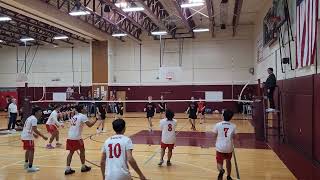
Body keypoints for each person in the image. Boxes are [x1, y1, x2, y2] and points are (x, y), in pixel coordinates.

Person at [65, 105, 98, 175]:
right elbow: (90, 125)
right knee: (82, 150)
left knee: (71, 152)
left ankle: (67, 169)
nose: (85, 108)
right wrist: (96, 119)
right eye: (84, 108)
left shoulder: (74, 116)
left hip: (70, 136)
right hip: (76, 137)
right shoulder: (82, 116)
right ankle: (83, 167)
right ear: (82, 110)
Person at [21, 106, 48, 172]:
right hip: (28, 137)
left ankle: (26, 164)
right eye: (40, 111)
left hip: (24, 135)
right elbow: (35, 129)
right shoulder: (34, 119)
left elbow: (29, 128)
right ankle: (30, 167)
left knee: (28, 150)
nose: (41, 113)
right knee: (31, 150)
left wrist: (34, 134)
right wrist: (43, 136)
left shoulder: (30, 117)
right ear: (36, 112)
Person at [212, 109, 237, 180]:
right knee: (228, 161)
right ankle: (228, 176)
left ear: (223, 116)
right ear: (231, 117)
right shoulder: (233, 126)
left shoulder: (218, 125)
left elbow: (214, 136)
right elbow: (236, 137)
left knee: (219, 163)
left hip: (220, 147)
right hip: (229, 147)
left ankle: (221, 170)